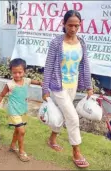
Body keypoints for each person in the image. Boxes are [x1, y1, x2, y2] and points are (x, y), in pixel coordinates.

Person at [42, 10, 93, 168]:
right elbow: (49, 65)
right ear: (63, 24)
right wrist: (45, 88)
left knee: (63, 115)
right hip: (58, 86)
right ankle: (76, 152)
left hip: (73, 85)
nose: (73, 28)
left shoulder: (81, 43)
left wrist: (89, 86)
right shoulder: (57, 43)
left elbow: (84, 65)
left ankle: (51, 139)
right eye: (70, 25)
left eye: (76, 25)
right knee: (73, 118)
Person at [0, 58, 42, 162]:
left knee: (17, 130)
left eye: (20, 72)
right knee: (22, 131)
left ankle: (12, 145)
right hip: (13, 111)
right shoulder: (10, 85)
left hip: (23, 110)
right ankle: (21, 152)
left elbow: (35, 82)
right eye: (14, 72)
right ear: (11, 72)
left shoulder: (27, 81)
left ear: (24, 71)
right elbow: (1, 96)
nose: (17, 75)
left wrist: (41, 83)